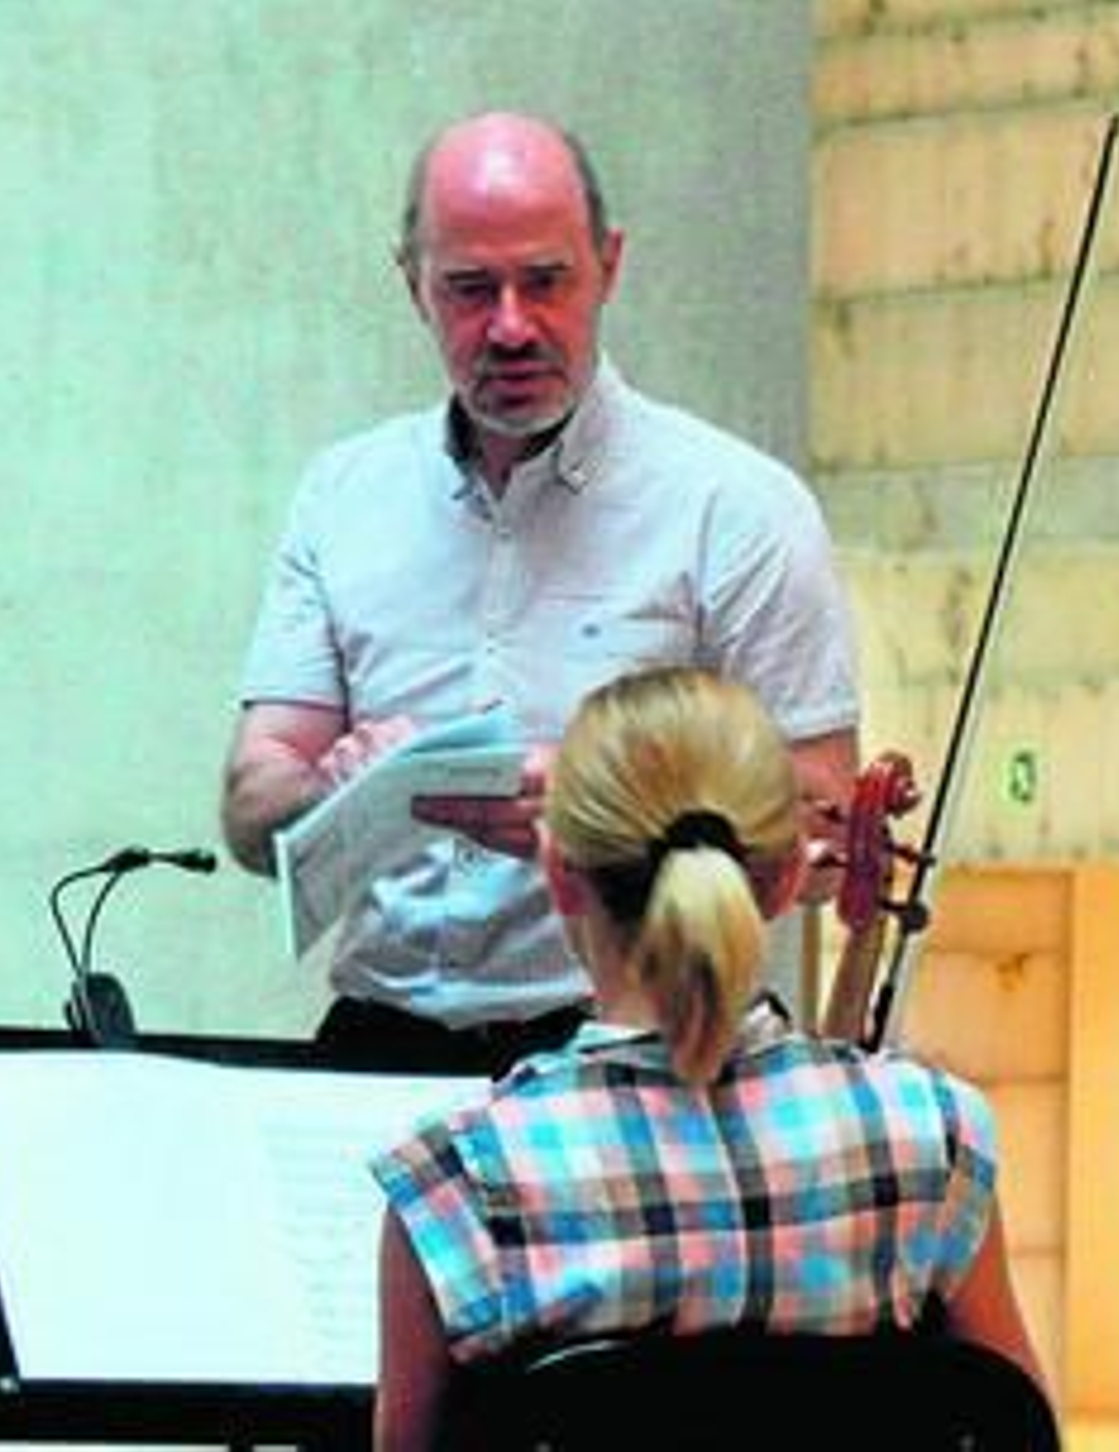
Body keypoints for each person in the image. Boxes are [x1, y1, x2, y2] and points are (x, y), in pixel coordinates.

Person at [221, 110, 860, 1074]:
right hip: (383, 1038)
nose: (511, 326)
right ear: (413, 288)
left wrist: (615, 800)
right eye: (470, 290)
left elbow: (825, 829)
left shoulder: (737, 507)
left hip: (643, 1042)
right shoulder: (344, 494)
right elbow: (249, 806)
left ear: (609, 265)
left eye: (546, 281)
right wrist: (335, 788)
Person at [369, 667, 1047, 1452]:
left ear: (558, 873)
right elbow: (1014, 1426)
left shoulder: (465, 1182)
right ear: (791, 874)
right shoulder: (933, 1135)